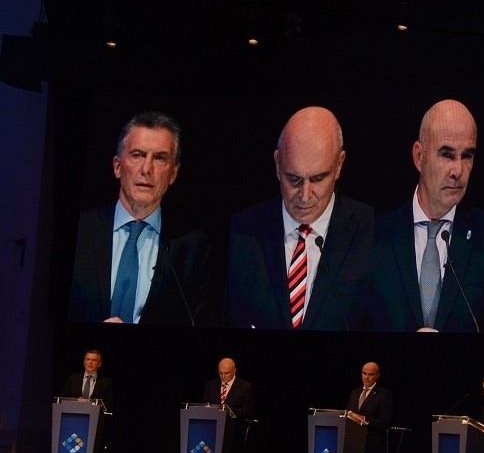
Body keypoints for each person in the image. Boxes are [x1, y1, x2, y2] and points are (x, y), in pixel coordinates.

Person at [366, 99, 484, 332]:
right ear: (419, 157)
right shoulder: (374, 237)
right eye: (447, 154)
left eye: (467, 156)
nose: (458, 171)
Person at [225, 106, 374, 331]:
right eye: (293, 179)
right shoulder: (241, 232)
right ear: (277, 163)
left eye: (318, 178)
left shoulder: (372, 231)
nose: (305, 195)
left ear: (339, 165)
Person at [69, 111, 213, 326]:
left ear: (173, 174)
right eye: (137, 155)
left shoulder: (193, 246)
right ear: (118, 166)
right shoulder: (80, 231)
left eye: (160, 158)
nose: (147, 169)